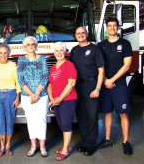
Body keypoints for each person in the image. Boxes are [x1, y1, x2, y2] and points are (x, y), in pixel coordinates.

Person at [97, 17, 133, 155]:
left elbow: (127, 65)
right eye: (110, 25)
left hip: (120, 85)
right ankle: (107, 139)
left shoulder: (125, 44)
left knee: (123, 113)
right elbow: (99, 66)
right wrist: (106, 80)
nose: (112, 28)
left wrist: (111, 79)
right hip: (106, 84)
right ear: (106, 28)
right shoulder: (101, 45)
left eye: (114, 25)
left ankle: (125, 142)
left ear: (118, 27)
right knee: (107, 112)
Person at [70, 26, 105, 156]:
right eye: (78, 33)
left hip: (92, 86)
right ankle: (84, 143)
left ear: (87, 34)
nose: (80, 35)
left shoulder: (95, 49)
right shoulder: (74, 50)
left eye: (83, 33)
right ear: (75, 35)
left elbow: (101, 70)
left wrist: (97, 88)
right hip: (78, 87)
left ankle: (91, 145)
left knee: (92, 117)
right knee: (82, 117)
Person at [17, 36, 49, 157]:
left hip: (42, 95)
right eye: (28, 44)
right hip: (26, 96)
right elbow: (20, 80)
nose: (31, 46)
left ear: (36, 46)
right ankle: (33, 146)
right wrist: (31, 94)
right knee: (31, 121)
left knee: (42, 120)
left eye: (33, 44)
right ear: (25, 47)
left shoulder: (42, 59)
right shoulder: (21, 60)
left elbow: (45, 77)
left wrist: (37, 94)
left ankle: (42, 147)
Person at [48, 42, 77, 161]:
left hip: (68, 100)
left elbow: (71, 84)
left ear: (65, 52)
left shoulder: (69, 65)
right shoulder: (53, 68)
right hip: (56, 101)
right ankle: (68, 146)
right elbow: (50, 84)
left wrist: (60, 98)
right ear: (54, 53)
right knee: (61, 124)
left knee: (66, 124)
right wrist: (51, 98)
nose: (59, 53)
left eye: (61, 50)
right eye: (57, 51)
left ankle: (65, 150)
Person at [0, 44, 21, 157]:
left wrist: (17, 98)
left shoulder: (13, 66)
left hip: (10, 94)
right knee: (0, 121)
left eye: (5, 53)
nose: (3, 55)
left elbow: (18, 82)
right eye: (1, 53)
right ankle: (2, 146)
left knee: (9, 120)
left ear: (8, 54)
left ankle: (8, 145)